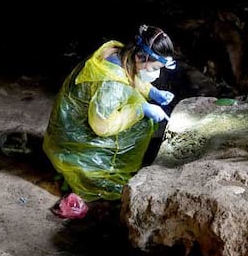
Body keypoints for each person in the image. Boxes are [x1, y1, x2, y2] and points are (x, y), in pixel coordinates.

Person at [43, 24, 176, 218]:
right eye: (155, 68)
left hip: (72, 123)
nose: (156, 74)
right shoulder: (111, 85)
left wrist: (152, 91)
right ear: (141, 57)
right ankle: (102, 174)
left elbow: (129, 77)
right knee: (142, 124)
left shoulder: (120, 53)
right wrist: (140, 109)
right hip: (75, 140)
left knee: (138, 106)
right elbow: (101, 126)